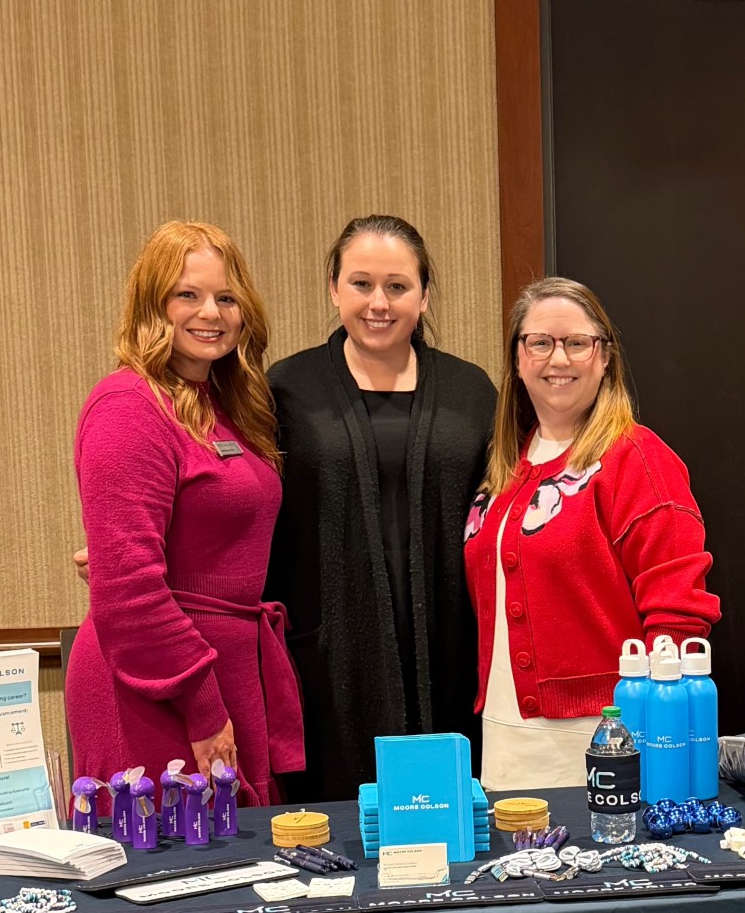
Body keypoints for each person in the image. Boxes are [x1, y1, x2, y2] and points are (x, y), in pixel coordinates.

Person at [65, 222, 303, 808]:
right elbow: (129, 589)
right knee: (165, 878)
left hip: (224, 673)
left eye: (226, 298)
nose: (211, 313)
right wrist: (201, 704)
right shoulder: (128, 406)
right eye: (187, 295)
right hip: (155, 688)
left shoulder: (226, 408)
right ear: (154, 306)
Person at [264, 216, 497, 801]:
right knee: (339, 832)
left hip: (450, 645)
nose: (379, 303)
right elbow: (241, 495)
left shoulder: (472, 392)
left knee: (451, 823)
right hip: (330, 653)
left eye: (397, 286)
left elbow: (508, 502)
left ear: (423, 295)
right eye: (361, 284)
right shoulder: (287, 389)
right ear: (333, 289)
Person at [465, 277, 719, 791]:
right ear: (518, 360)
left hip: (603, 738)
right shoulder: (506, 463)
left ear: (605, 358)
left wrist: (649, 737)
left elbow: (677, 611)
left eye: (577, 343)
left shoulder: (638, 459)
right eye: (540, 342)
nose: (558, 359)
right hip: (505, 736)